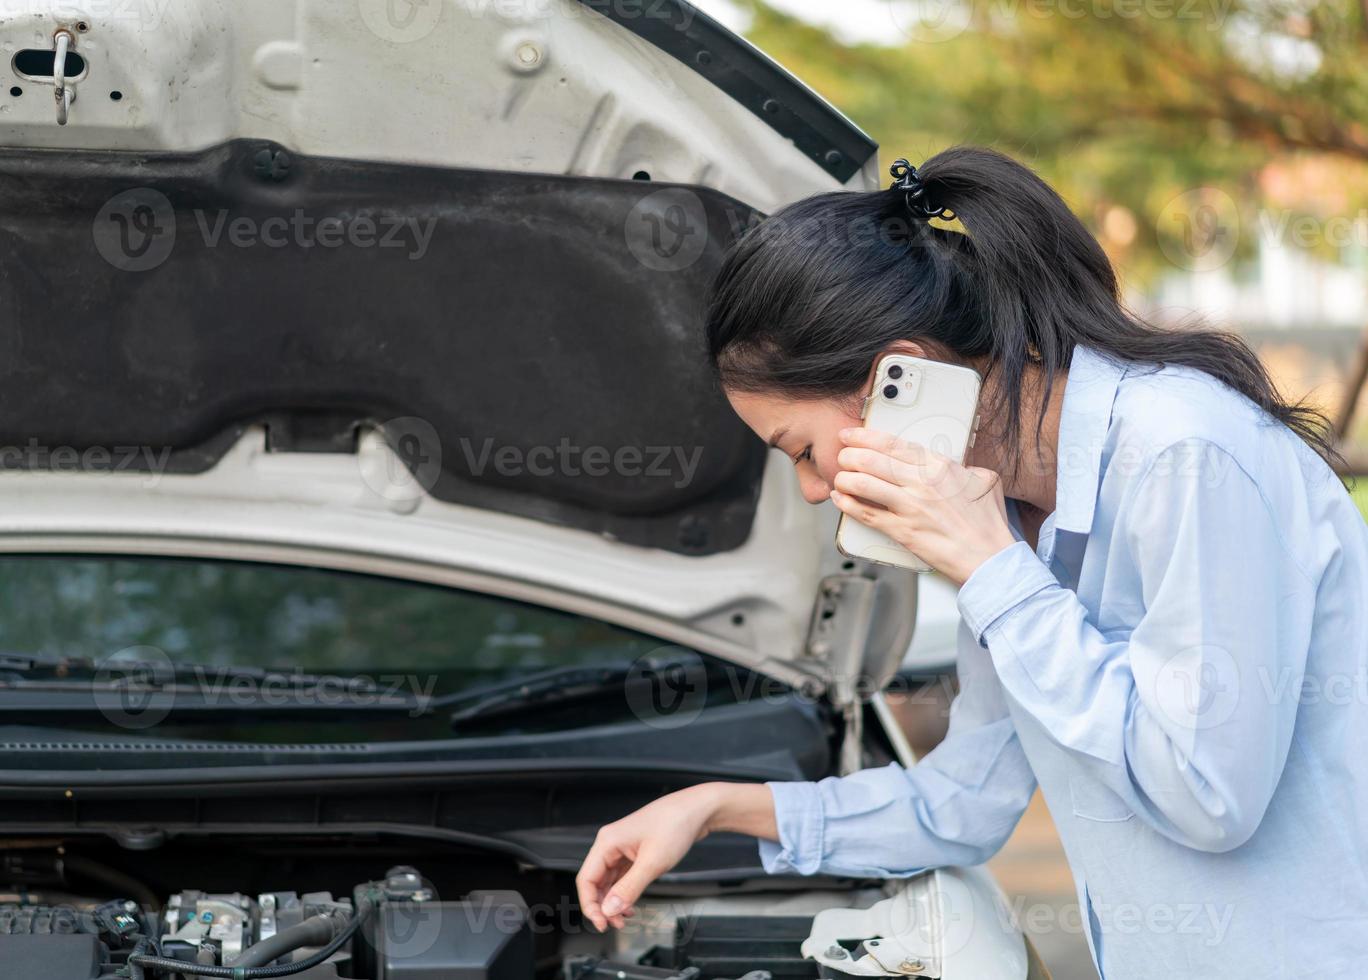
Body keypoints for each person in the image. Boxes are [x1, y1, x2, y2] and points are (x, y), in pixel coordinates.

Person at [574, 147, 1368, 978]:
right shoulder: (1009, 527)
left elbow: (1209, 795)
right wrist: (716, 809)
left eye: (802, 449)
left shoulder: (1183, 453)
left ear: (902, 377)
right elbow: (963, 802)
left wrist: (994, 570)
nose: (813, 490)